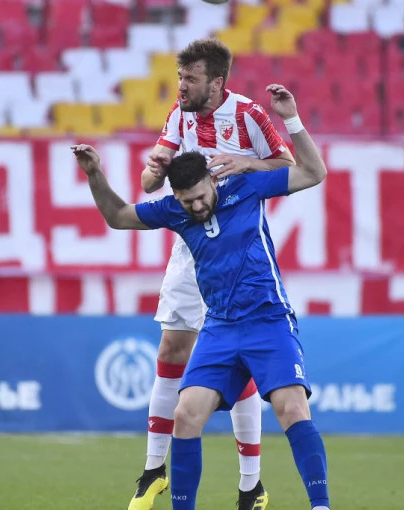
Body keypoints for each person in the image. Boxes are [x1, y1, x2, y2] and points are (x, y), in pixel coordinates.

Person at [72, 84, 331, 510]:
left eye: (200, 197)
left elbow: (313, 172)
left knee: (292, 409)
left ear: (213, 180)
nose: (196, 207)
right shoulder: (175, 211)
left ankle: (319, 505)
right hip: (220, 326)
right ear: (176, 198)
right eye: (187, 202)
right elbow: (118, 216)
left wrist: (291, 119)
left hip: (268, 318)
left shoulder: (247, 187)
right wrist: (94, 174)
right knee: (186, 414)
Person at [132, 38, 296, 510]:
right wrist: (154, 171)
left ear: (216, 82)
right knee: (171, 347)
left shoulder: (248, 115)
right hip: (191, 249)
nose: (182, 86)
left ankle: (251, 486)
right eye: (180, 77)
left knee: (239, 362)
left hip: (237, 250)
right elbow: (148, 181)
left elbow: (290, 166)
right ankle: (153, 471)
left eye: (191, 78)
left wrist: (247, 163)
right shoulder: (178, 115)